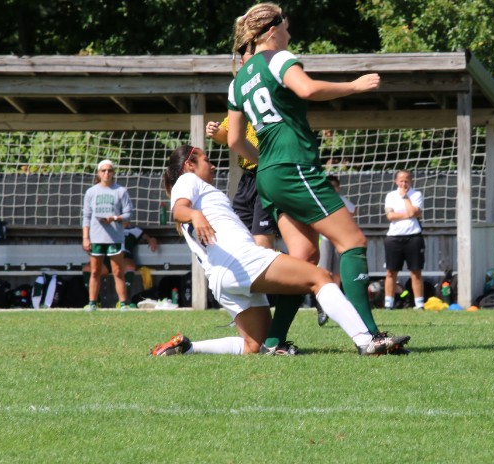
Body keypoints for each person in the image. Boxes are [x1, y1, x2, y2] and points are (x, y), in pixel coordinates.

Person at [225, 3, 402, 345]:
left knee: (304, 259)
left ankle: (275, 342)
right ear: (273, 30)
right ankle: (370, 335)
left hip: (269, 175)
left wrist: (266, 163)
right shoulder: (277, 59)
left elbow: (234, 140)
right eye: (287, 28)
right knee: (353, 242)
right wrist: (354, 86)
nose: (290, 35)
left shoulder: (237, 82)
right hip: (294, 167)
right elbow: (306, 89)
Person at [150, 145, 409, 357]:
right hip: (239, 261)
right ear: (189, 165)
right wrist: (195, 215)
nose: (214, 165)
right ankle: (366, 341)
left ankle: (189, 348)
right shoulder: (187, 180)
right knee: (320, 278)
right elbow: (179, 210)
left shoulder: (199, 188)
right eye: (207, 160)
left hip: (221, 278)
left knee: (254, 346)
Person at [205, 47, 277, 249]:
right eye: (244, 64)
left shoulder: (270, 93)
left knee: (262, 243)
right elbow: (227, 135)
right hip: (248, 178)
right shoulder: (241, 98)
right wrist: (214, 131)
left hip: (267, 173)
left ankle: (284, 274)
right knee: (240, 239)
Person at [81, 159, 133, 311]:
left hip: (114, 237)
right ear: (98, 173)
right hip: (96, 237)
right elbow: (86, 216)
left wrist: (114, 218)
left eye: (109, 170)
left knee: (117, 271)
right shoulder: (91, 192)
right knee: (95, 271)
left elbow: (128, 213)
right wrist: (86, 237)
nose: (106, 173)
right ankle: (92, 303)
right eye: (103, 170)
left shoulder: (120, 191)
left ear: (113, 173)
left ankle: (123, 303)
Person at [81, 222, 159, 305]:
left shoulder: (134, 230)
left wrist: (152, 240)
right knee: (88, 269)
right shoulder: (107, 229)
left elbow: (148, 238)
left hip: (124, 256)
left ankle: (122, 303)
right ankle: (96, 302)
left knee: (129, 266)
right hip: (107, 257)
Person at [315, 174, 356, 325]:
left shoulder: (342, 201)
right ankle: (322, 306)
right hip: (324, 239)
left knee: (337, 274)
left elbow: (352, 211)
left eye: (334, 186)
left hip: (339, 240)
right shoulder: (320, 200)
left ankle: (336, 304)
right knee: (324, 272)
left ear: (338, 188)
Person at [383, 170, 425, 310]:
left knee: (416, 271)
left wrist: (405, 197)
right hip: (394, 237)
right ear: (396, 181)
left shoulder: (416, 194)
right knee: (391, 271)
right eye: (401, 180)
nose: (403, 183)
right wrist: (409, 214)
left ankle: (419, 304)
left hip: (413, 236)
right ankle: (388, 303)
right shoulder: (390, 196)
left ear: (411, 181)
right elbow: (390, 216)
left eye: (406, 180)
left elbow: (414, 212)